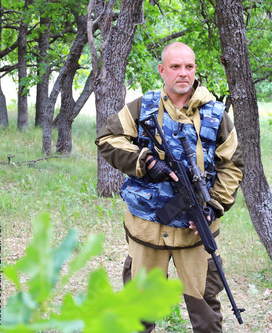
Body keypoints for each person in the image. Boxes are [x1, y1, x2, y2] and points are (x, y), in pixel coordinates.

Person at [95, 42, 244, 333]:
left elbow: (233, 165)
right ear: (163, 70)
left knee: (206, 312)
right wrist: (145, 161)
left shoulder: (216, 114)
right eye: (175, 67)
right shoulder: (142, 106)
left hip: (195, 233)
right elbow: (107, 139)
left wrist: (214, 206)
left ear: (195, 70)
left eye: (188, 66)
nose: (183, 73)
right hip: (147, 230)